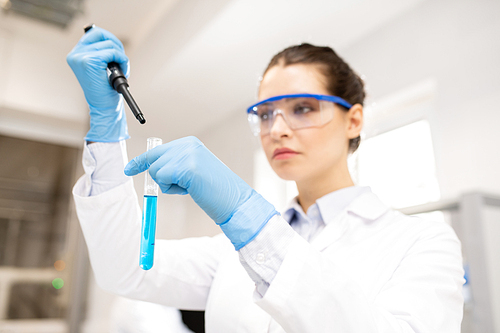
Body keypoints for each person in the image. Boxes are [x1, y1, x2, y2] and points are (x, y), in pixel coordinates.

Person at [68, 26, 464, 332]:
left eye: (304, 108)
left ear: (354, 119)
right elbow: (125, 269)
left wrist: (247, 215)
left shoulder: (423, 243)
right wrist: (106, 126)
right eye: (264, 113)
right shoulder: (230, 251)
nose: (277, 129)